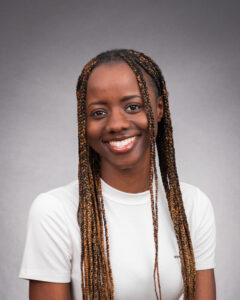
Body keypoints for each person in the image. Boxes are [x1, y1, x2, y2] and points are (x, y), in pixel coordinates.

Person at [19, 49, 216, 300]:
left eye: (132, 107)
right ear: (83, 122)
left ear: (158, 109)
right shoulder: (54, 211)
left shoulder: (192, 205)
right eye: (98, 112)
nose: (116, 124)